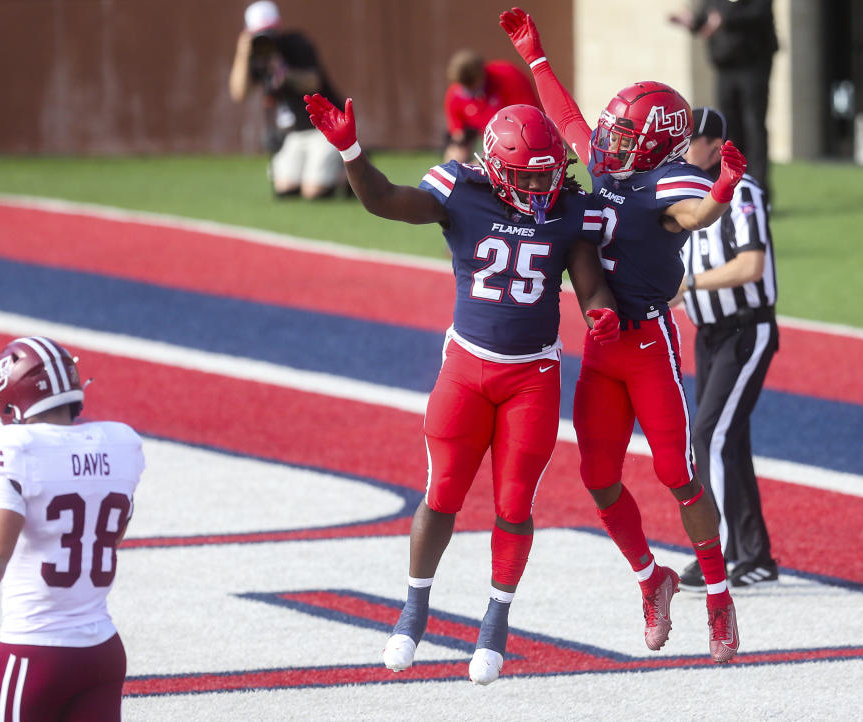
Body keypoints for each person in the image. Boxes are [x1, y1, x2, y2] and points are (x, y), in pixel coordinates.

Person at [304, 92, 620, 684]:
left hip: (533, 375)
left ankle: (496, 621)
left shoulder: (571, 209)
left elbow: (589, 281)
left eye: (547, 175)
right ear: (496, 168)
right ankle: (414, 608)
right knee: (442, 492)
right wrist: (349, 149)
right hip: (467, 368)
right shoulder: (461, 192)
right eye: (526, 176)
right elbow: (382, 200)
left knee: (514, 504)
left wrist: (600, 312)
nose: (539, 188)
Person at [500, 7, 747, 663]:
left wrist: (722, 190)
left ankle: (719, 597)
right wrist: (537, 58)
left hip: (647, 347)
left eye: (621, 134)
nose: (603, 142)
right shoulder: (606, 165)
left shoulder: (670, 179)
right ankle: (651, 579)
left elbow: (696, 214)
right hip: (601, 349)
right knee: (598, 475)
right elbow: (568, 120)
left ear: (656, 141)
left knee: (678, 472)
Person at [0, 337, 145, 719]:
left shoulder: (17, 448)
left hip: (36, 652)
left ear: (12, 400)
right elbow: (113, 535)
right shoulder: (119, 444)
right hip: (103, 653)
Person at [670, 107, 779, 591]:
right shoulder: (689, 195)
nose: (683, 150)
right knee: (728, 440)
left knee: (708, 435)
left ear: (716, 145)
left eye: (691, 141)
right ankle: (754, 555)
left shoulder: (743, 192)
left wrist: (689, 284)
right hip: (710, 334)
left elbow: (751, 265)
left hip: (745, 329)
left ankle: (721, 553)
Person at [229, 0, 345, 198]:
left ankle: (349, 171)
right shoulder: (256, 57)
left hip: (325, 128)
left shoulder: (296, 43)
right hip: (295, 134)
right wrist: (242, 53)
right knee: (285, 189)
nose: (265, 42)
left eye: (269, 34)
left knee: (314, 192)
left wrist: (284, 72)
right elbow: (239, 93)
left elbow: (313, 82)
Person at [669, 0, 777, 200]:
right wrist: (692, 22)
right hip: (725, 67)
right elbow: (707, 21)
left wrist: (726, 19)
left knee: (754, 127)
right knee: (728, 130)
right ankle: (731, 186)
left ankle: (758, 190)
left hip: (753, 65)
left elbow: (758, 14)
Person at [443, 49, 541, 163]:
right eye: (465, 87)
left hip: (519, 134)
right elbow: (458, 136)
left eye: (473, 86)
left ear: (482, 74)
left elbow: (528, 119)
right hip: (485, 137)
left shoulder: (508, 76)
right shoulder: (455, 93)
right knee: (454, 157)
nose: (470, 91)